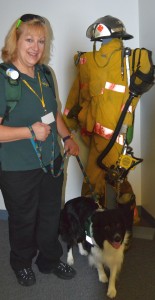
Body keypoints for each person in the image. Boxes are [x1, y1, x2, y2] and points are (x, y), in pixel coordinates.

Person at [0, 14, 79, 287]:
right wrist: (28, 132)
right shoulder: (3, 79)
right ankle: (21, 262)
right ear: (16, 40)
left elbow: (52, 112)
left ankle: (48, 258)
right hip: (17, 169)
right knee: (23, 220)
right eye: (29, 39)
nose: (35, 47)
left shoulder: (46, 73)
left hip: (51, 162)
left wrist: (66, 137)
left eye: (41, 41)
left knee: (49, 215)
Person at [63, 15, 155, 248]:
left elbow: (76, 98)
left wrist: (68, 124)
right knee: (110, 182)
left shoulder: (127, 58)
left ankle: (112, 228)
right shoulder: (97, 61)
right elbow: (81, 95)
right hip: (104, 138)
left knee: (104, 183)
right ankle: (112, 225)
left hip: (107, 137)